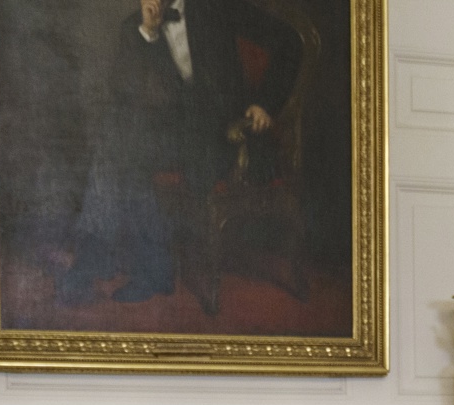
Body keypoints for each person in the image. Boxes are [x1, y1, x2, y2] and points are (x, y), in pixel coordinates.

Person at [61, 0, 305, 305]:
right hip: (181, 133)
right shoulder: (135, 26)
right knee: (118, 141)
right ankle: (112, 262)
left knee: (124, 148)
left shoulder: (218, 6)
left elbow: (290, 42)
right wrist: (148, 34)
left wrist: (264, 103)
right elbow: (124, 94)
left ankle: (134, 267)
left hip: (229, 135)